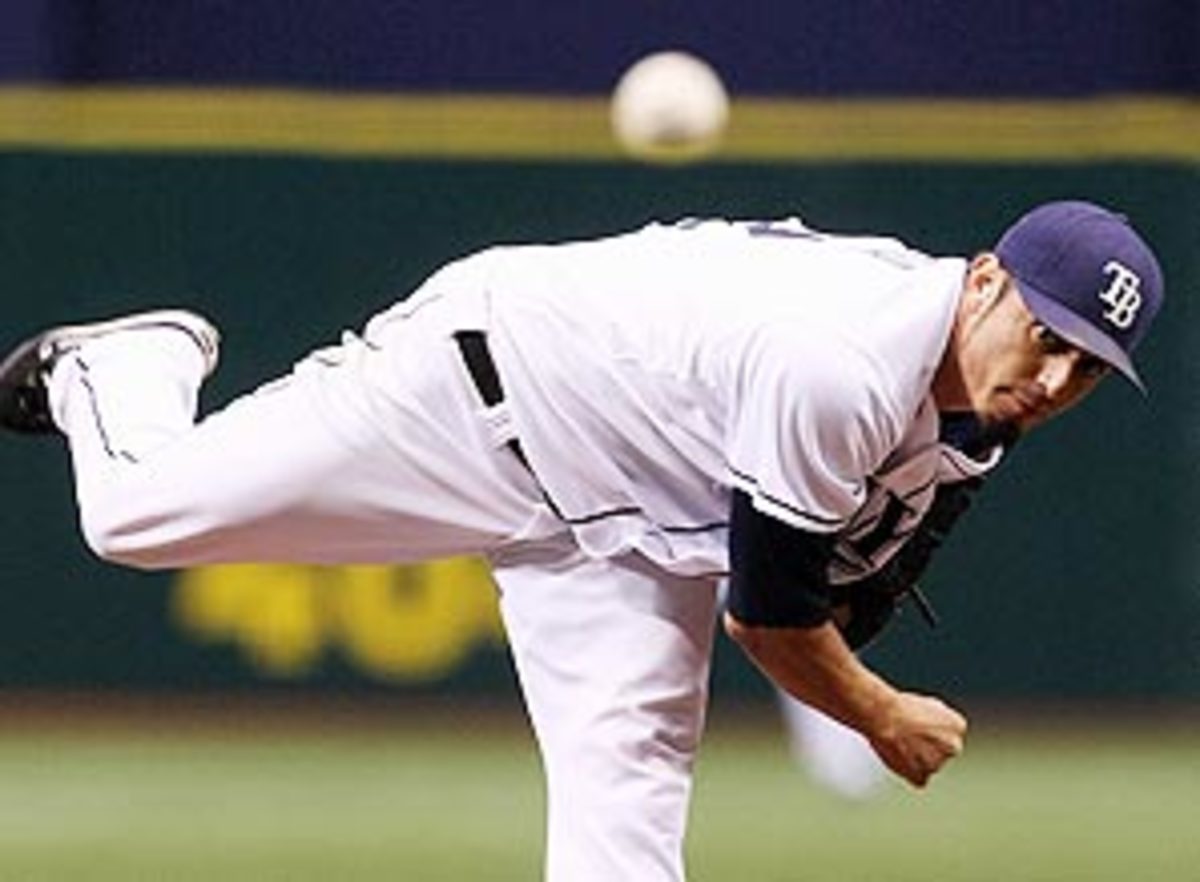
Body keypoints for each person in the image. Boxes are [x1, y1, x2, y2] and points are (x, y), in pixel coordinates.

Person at [0, 201, 1162, 881]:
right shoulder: (845, 365)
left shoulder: (975, 415)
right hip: (481, 396)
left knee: (625, 837)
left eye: (1089, 368)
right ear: (986, 282)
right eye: (1046, 335)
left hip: (624, 532)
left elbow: (828, 594)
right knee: (132, 514)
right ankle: (128, 363)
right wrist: (880, 713)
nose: (1057, 378)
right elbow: (769, 618)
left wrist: (847, 628)